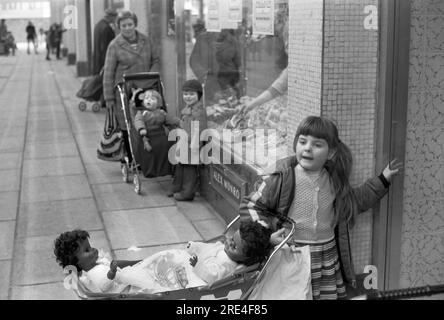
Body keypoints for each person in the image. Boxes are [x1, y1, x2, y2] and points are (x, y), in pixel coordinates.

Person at [239, 116, 403, 300]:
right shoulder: (281, 176)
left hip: (325, 258)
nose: (307, 148)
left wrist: (382, 179)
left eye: (317, 145)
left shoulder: (334, 178)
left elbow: (354, 202)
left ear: (331, 152)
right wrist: (265, 236)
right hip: (291, 256)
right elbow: (251, 206)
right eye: (302, 142)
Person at [54, 220, 271, 294]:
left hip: (196, 274)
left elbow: (213, 274)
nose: (229, 242)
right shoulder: (225, 249)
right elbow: (209, 247)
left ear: (245, 257)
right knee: (160, 261)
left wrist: (196, 265)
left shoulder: (228, 263)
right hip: (118, 279)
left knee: (164, 268)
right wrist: (195, 246)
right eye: (233, 238)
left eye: (235, 246)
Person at [103, 11, 160, 171]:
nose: (128, 28)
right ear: (118, 26)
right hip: (124, 91)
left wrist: (151, 75)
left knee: (144, 122)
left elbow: (155, 60)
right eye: (124, 25)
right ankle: (129, 157)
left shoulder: (146, 41)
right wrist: (108, 99)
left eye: (130, 24)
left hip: (145, 88)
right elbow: (108, 72)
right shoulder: (114, 45)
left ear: (135, 24)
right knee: (127, 125)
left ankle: (144, 157)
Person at [168, 79, 208, 201]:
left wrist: (195, 145)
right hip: (183, 142)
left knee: (189, 169)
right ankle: (177, 186)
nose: (188, 97)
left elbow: (198, 129)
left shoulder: (199, 111)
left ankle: (187, 192)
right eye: (185, 94)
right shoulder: (188, 108)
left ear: (198, 95)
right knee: (180, 166)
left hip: (192, 144)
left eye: (191, 94)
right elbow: (184, 123)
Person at [132, 88, 180, 177]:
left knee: (169, 145)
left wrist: (179, 122)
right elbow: (138, 121)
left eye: (152, 99)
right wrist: (141, 128)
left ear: (159, 103)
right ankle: (151, 170)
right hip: (147, 136)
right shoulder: (142, 113)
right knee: (150, 151)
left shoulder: (162, 113)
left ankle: (166, 168)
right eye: (147, 98)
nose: (149, 100)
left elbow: (170, 119)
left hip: (160, 134)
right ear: (143, 102)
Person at [215, 29, 242, 98]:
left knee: (227, 91)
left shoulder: (231, 41)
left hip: (227, 71)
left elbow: (236, 58)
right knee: (227, 91)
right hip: (222, 71)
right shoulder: (231, 40)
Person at [92, 8, 117, 75]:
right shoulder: (106, 28)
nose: (115, 20)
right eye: (115, 17)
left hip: (97, 61)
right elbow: (105, 48)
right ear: (111, 17)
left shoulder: (98, 25)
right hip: (103, 63)